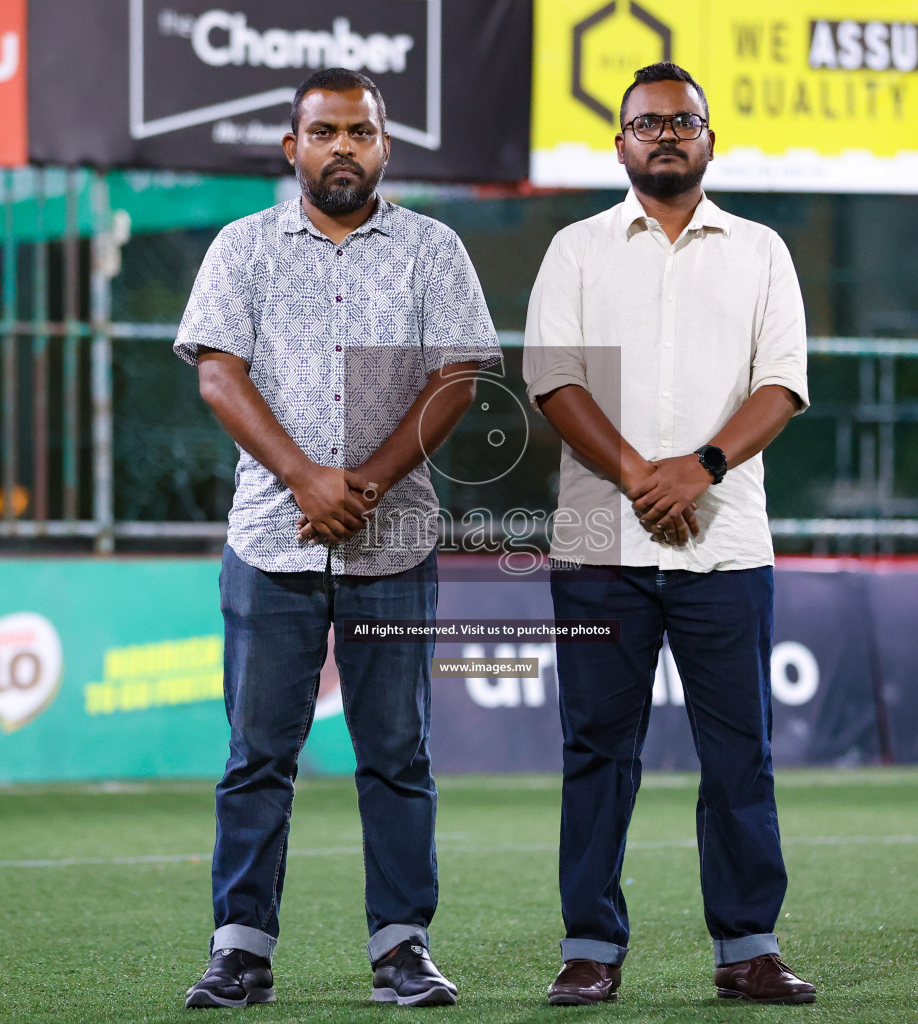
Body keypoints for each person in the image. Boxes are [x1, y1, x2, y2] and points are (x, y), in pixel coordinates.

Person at [173, 67, 500, 1009]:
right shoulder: (242, 248)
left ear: (384, 147)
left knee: (397, 752)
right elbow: (219, 378)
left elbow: (457, 380)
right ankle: (240, 952)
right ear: (293, 147)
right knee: (256, 755)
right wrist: (307, 480)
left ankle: (402, 950)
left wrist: (366, 485)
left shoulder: (433, 249)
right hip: (270, 543)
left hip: (392, 544)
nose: (343, 148)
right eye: (324, 133)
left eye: (360, 132)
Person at [522, 62, 816, 1006]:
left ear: (709, 139)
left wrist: (702, 468)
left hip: (725, 545)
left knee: (740, 754)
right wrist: (643, 475)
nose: (664, 134)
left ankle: (748, 947)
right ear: (619, 144)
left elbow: (783, 386)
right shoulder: (576, 248)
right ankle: (589, 948)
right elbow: (553, 380)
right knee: (597, 750)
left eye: (681, 121)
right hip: (601, 546)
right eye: (646, 123)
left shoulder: (762, 250)